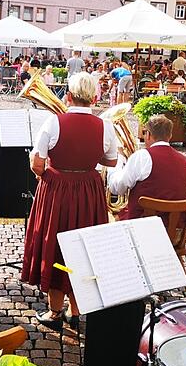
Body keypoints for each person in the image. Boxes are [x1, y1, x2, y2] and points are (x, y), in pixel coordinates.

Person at [22, 72, 118, 330]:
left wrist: (49, 175)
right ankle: (76, 311)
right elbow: (112, 161)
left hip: (57, 191)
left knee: (55, 244)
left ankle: (55, 312)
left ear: (69, 96)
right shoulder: (105, 125)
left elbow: (37, 163)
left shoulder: (54, 123)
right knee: (84, 249)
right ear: (94, 98)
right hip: (89, 191)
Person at [107, 114, 186, 221]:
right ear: (169, 136)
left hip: (142, 228)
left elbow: (117, 187)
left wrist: (117, 161)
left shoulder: (142, 156)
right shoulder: (185, 161)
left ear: (148, 135)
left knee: (106, 218)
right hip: (175, 229)